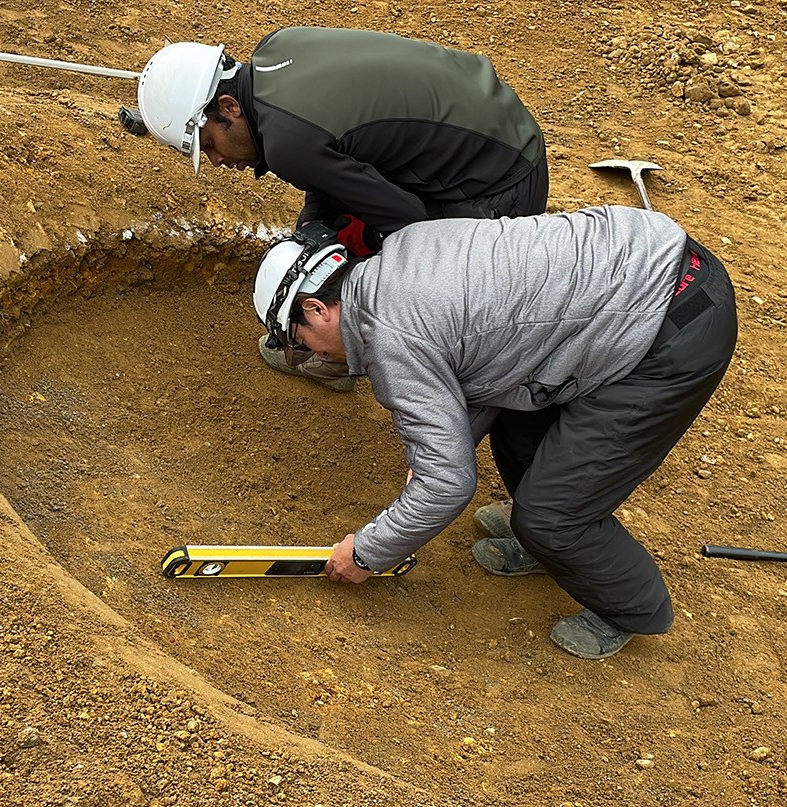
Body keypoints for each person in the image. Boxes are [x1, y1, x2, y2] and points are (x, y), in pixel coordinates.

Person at [250, 207, 737, 659]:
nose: (315, 357)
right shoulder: (401, 257)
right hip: (647, 271)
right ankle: (544, 541)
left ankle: (630, 606)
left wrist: (369, 551)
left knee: (553, 516)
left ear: (317, 309)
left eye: (300, 344)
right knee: (517, 429)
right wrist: (432, 460)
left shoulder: (390, 336)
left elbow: (449, 483)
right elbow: (478, 380)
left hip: (668, 332)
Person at [135, 27, 549, 394]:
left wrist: (327, 264)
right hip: (502, 131)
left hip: (498, 192)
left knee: (415, 278)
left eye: (208, 144)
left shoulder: (285, 145)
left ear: (228, 107)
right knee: (346, 226)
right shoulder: (279, 47)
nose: (217, 162)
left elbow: (410, 223)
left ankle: (342, 351)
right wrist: (315, 231)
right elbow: (332, 166)